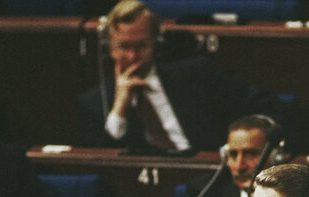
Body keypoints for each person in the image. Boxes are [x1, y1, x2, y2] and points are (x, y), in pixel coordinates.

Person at [78, 0, 284, 153]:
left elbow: (263, 105)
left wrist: (245, 142)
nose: (132, 56)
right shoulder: (94, 102)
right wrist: (119, 110)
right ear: (109, 49)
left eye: (141, 46)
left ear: (156, 44)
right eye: (124, 47)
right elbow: (101, 163)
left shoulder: (196, 75)